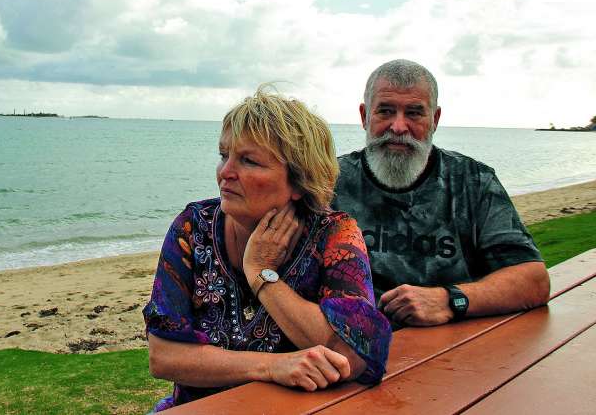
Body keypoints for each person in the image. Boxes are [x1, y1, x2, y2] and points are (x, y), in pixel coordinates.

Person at [143, 86, 391, 412]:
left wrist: (261, 275)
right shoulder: (193, 227)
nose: (225, 173)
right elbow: (163, 356)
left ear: (299, 181)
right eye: (223, 155)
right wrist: (271, 366)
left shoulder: (334, 235)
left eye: (248, 160)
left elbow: (354, 355)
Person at [331, 59, 550, 328]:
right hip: (348, 352)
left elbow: (533, 279)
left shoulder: (474, 181)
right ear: (364, 116)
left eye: (414, 113)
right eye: (385, 111)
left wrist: (449, 300)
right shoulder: (328, 182)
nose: (399, 127)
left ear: (434, 119)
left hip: (453, 350)